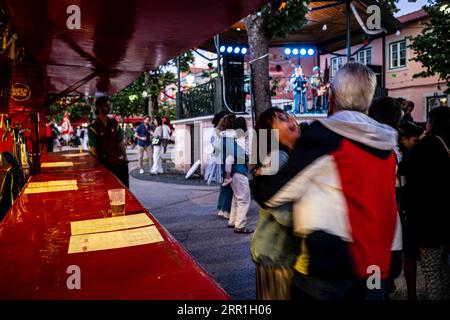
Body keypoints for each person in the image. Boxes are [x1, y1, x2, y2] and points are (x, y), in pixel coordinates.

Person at [251, 62, 399, 300]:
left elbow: (271, 194)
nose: (292, 122)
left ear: (332, 94)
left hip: (332, 266)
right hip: (377, 265)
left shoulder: (325, 137)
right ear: (369, 99)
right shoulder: (388, 145)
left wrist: (258, 179)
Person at [251, 108, 301, 300]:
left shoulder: (282, 156)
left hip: (274, 252)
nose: (290, 120)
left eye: (287, 115)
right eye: (281, 119)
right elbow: (282, 210)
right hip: (277, 255)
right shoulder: (278, 157)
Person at [404, 106, 450, 300]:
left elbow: (405, 169)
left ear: (433, 123)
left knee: (431, 270)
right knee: (443, 266)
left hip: (428, 219)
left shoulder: (428, 145)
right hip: (445, 215)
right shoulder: (445, 144)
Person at [396, 121, 424, 300]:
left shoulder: (408, 155)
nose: (418, 143)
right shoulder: (401, 158)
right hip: (403, 209)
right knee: (409, 253)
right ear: (404, 139)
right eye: (415, 140)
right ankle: (411, 294)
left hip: (405, 208)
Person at [88, 96, 129, 188]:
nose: (108, 107)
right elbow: (93, 149)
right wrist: (98, 166)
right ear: (99, 106)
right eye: (106, 105)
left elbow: (120, 142)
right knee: (108, 190)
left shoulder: (114, 123)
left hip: (119, 163)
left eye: (108, 105)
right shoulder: (93, 127)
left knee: (124, 190)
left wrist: (125, 159)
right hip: (105, 165)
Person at [221, 116, 252, 234]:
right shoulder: (239, 139)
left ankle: (233, 220)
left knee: (236, 196)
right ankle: (240, 225)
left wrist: (227, 175)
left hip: (232, 172)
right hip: (238, 171)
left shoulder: (227, 137)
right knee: (244, 198)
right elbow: (231, 157)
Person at [214, 112, 234, 219]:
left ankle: (221, 208)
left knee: (224, 187)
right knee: (229, 188)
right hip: (227, 163)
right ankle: (226, 210)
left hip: (221, 161)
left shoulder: (220, 135)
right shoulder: (229, 136)